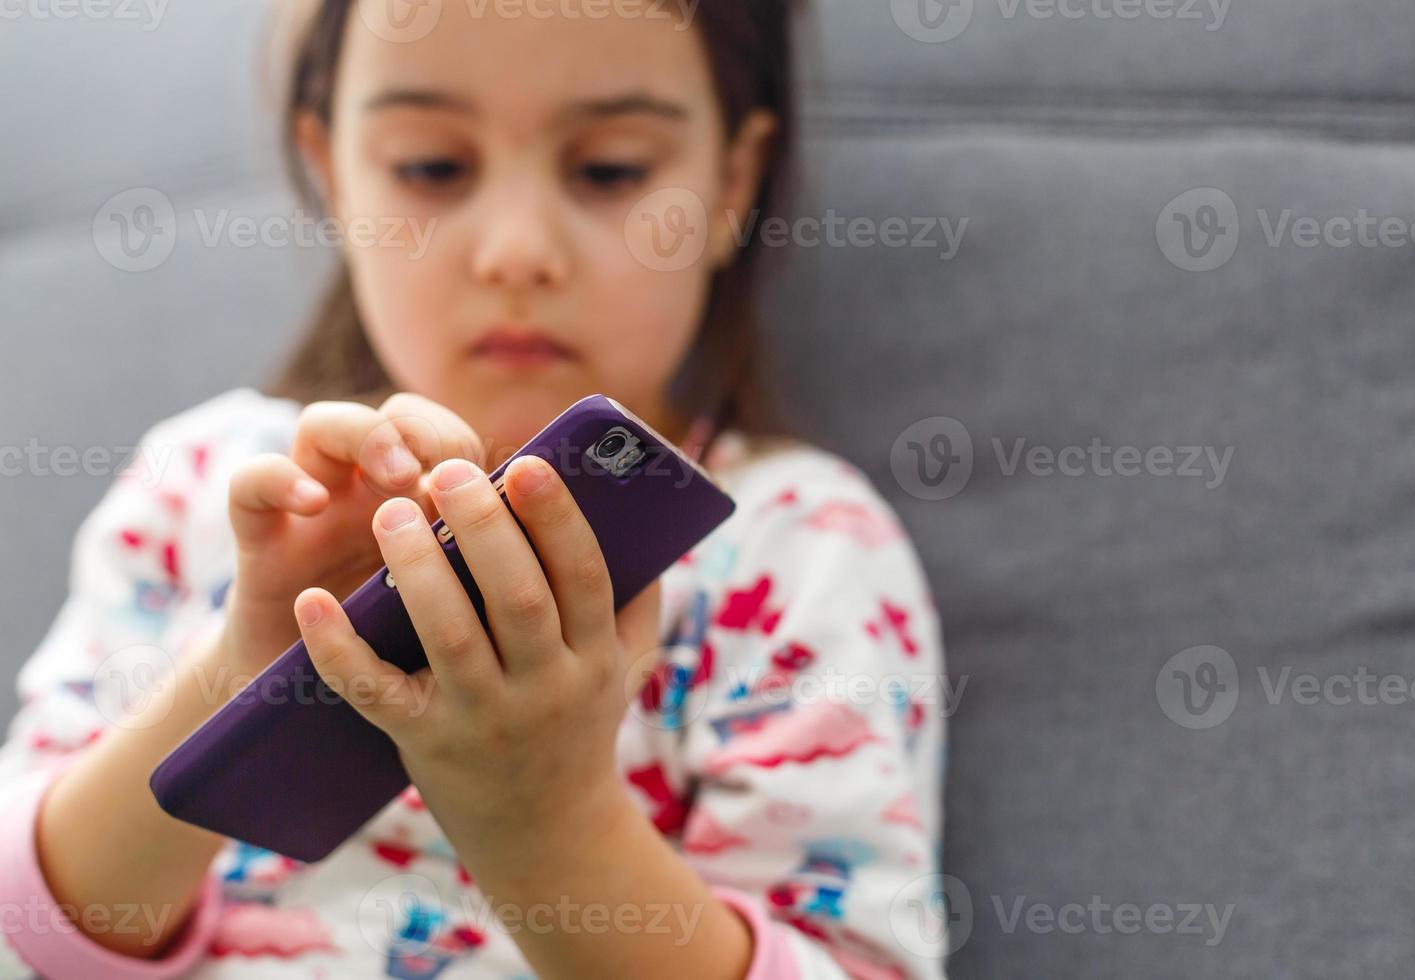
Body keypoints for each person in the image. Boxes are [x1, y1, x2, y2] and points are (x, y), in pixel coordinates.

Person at [0, 2, 946, 977]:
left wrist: (548, 825)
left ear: (730, 184)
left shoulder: (800, 544)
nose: (516, 250)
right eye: (432, 169)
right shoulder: (206, 486)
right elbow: (22, 934)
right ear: (332, 174)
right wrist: (244, 673)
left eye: (611, 169)